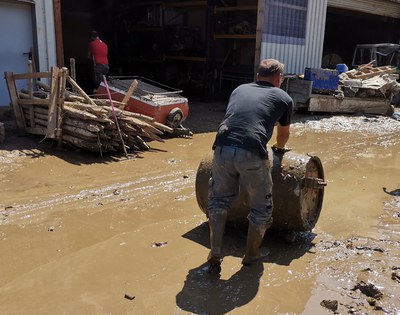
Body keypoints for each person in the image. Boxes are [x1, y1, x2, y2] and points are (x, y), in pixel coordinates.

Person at [207, 59, 293, 273]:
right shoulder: (283, 97)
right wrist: (279, 148)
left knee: (218, 201)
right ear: (278, 78)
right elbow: (283, 134)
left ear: (257, 75)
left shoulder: (239, 89)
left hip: (222, 146)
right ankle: (251, 254)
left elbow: (237, 118)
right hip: (252, 151)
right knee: (261, 207)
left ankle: (216, 250)